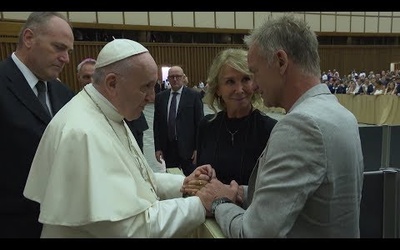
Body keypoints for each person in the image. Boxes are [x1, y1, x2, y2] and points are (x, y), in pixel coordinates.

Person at [193, 14, 364, 238]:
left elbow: (253, 232)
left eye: (254, 72)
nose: (253, 84)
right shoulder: (340, 113)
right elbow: (299, 195)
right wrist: (239, 193)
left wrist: (219, 202)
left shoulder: (300, 125)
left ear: (281, 62)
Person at [23, 38, 214, 238]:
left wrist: (182, 184)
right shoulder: (82, 133)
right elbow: (132, 229)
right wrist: (201, 205)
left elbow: (135, 178)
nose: (152, 97)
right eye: (145, 87)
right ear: (112, 83)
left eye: (154, 86)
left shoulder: (109, 112)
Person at [0, 12, 75, 238]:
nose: (66, 59)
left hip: (62, 222)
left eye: (68, 52)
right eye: (59, 48)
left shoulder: (65, 94)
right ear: (29, 38)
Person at [196, 48, 277, 185]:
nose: (239, 90)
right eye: (230, 82)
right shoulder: (207, 125)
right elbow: (200, 172)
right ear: (218, 89)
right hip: (209, 205)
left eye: (246, 79)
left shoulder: (270, 129)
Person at [153, 66, 204, 176]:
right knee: (172, 179)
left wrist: (198, 148)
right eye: (172, 77)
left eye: (178, 76)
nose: (175, 79)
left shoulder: (193, 96)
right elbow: (157, 124)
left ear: (183, 77)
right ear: (168, 79)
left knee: (192, 179)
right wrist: (158, 148)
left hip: (189, 149)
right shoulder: (160, 98)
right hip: (168, 148)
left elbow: (200, 124)